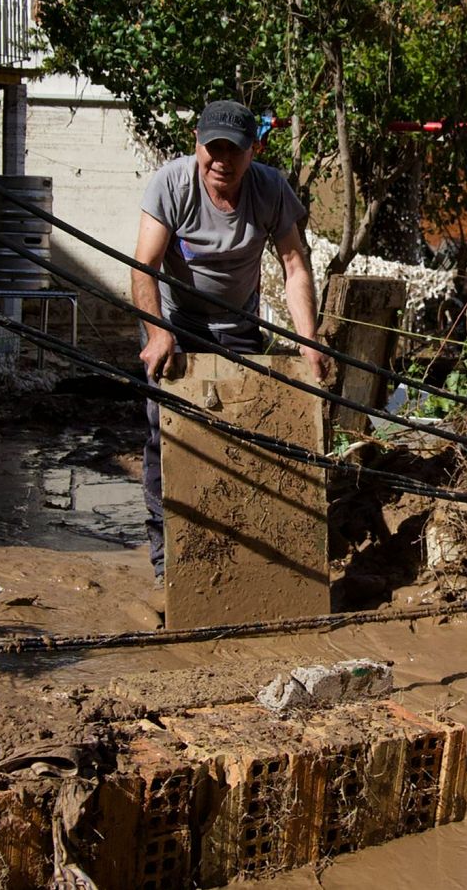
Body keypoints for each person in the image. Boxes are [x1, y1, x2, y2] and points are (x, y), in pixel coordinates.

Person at [131, 99, 332, 584]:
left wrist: (308, 340)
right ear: (197, 145)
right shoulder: (172, 184)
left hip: (237, 328)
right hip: (174, 325)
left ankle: (237, 549)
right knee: (167, 433)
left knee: (243, 430)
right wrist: (158, 334)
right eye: (213, 148)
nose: (221, 160)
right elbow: (143, 267)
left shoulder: (269, 188)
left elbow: (294, 265)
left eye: (233, 151)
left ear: (253, 150)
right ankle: (166, 560)